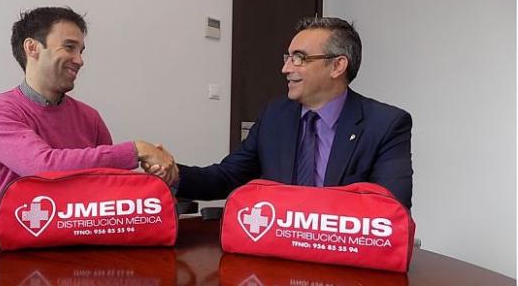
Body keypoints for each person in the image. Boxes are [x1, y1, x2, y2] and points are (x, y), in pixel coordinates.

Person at [170, 17, 413, 209]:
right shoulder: (275, 116)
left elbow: (390, 208)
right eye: (288, 58)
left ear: (338, 66)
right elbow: (227, 177)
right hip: (280, 255)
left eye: (300, 59)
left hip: (345, 260)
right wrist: (171, 173)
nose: (285, 69)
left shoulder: (385, 124)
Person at [0, 7, 177, 225]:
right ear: (32, 48)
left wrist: (160, 174)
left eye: (81, 51)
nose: (80, 60)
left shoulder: (90, 117)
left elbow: (108, 185)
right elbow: (43, 168)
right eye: (69, 47)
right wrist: (137, 150)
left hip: (86, 236)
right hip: (20, 245)